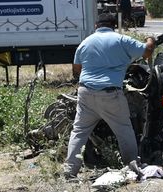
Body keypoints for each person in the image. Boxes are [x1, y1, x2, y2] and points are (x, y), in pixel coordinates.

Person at [63, 13, 155, 179]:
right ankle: (132, 166)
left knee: (79, 131)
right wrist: (150, 39)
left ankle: (70, 171)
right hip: (110, 93)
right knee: (124, 130)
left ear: (96, 25)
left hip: (85, 92)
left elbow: (76, 69)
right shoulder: (121, 40)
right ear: (113, 25)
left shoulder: (85, 42)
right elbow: (147, 52)